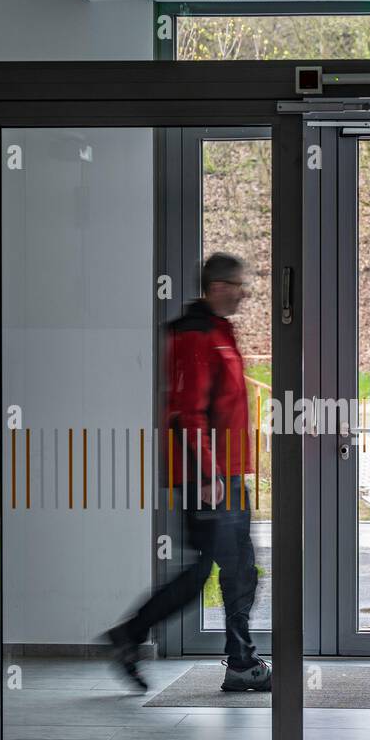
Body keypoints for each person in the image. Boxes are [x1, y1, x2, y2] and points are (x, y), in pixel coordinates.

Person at [105, 253, 272, 694]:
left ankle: (135, 636)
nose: (244, 291)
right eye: (237, 284)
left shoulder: (217, 332)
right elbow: (186, 414)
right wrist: (208, 475)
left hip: (223, 475)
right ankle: (238, 662)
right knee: (226, 570)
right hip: (210, 479)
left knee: (220, 570)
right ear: (217, 286)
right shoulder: (196, 337)